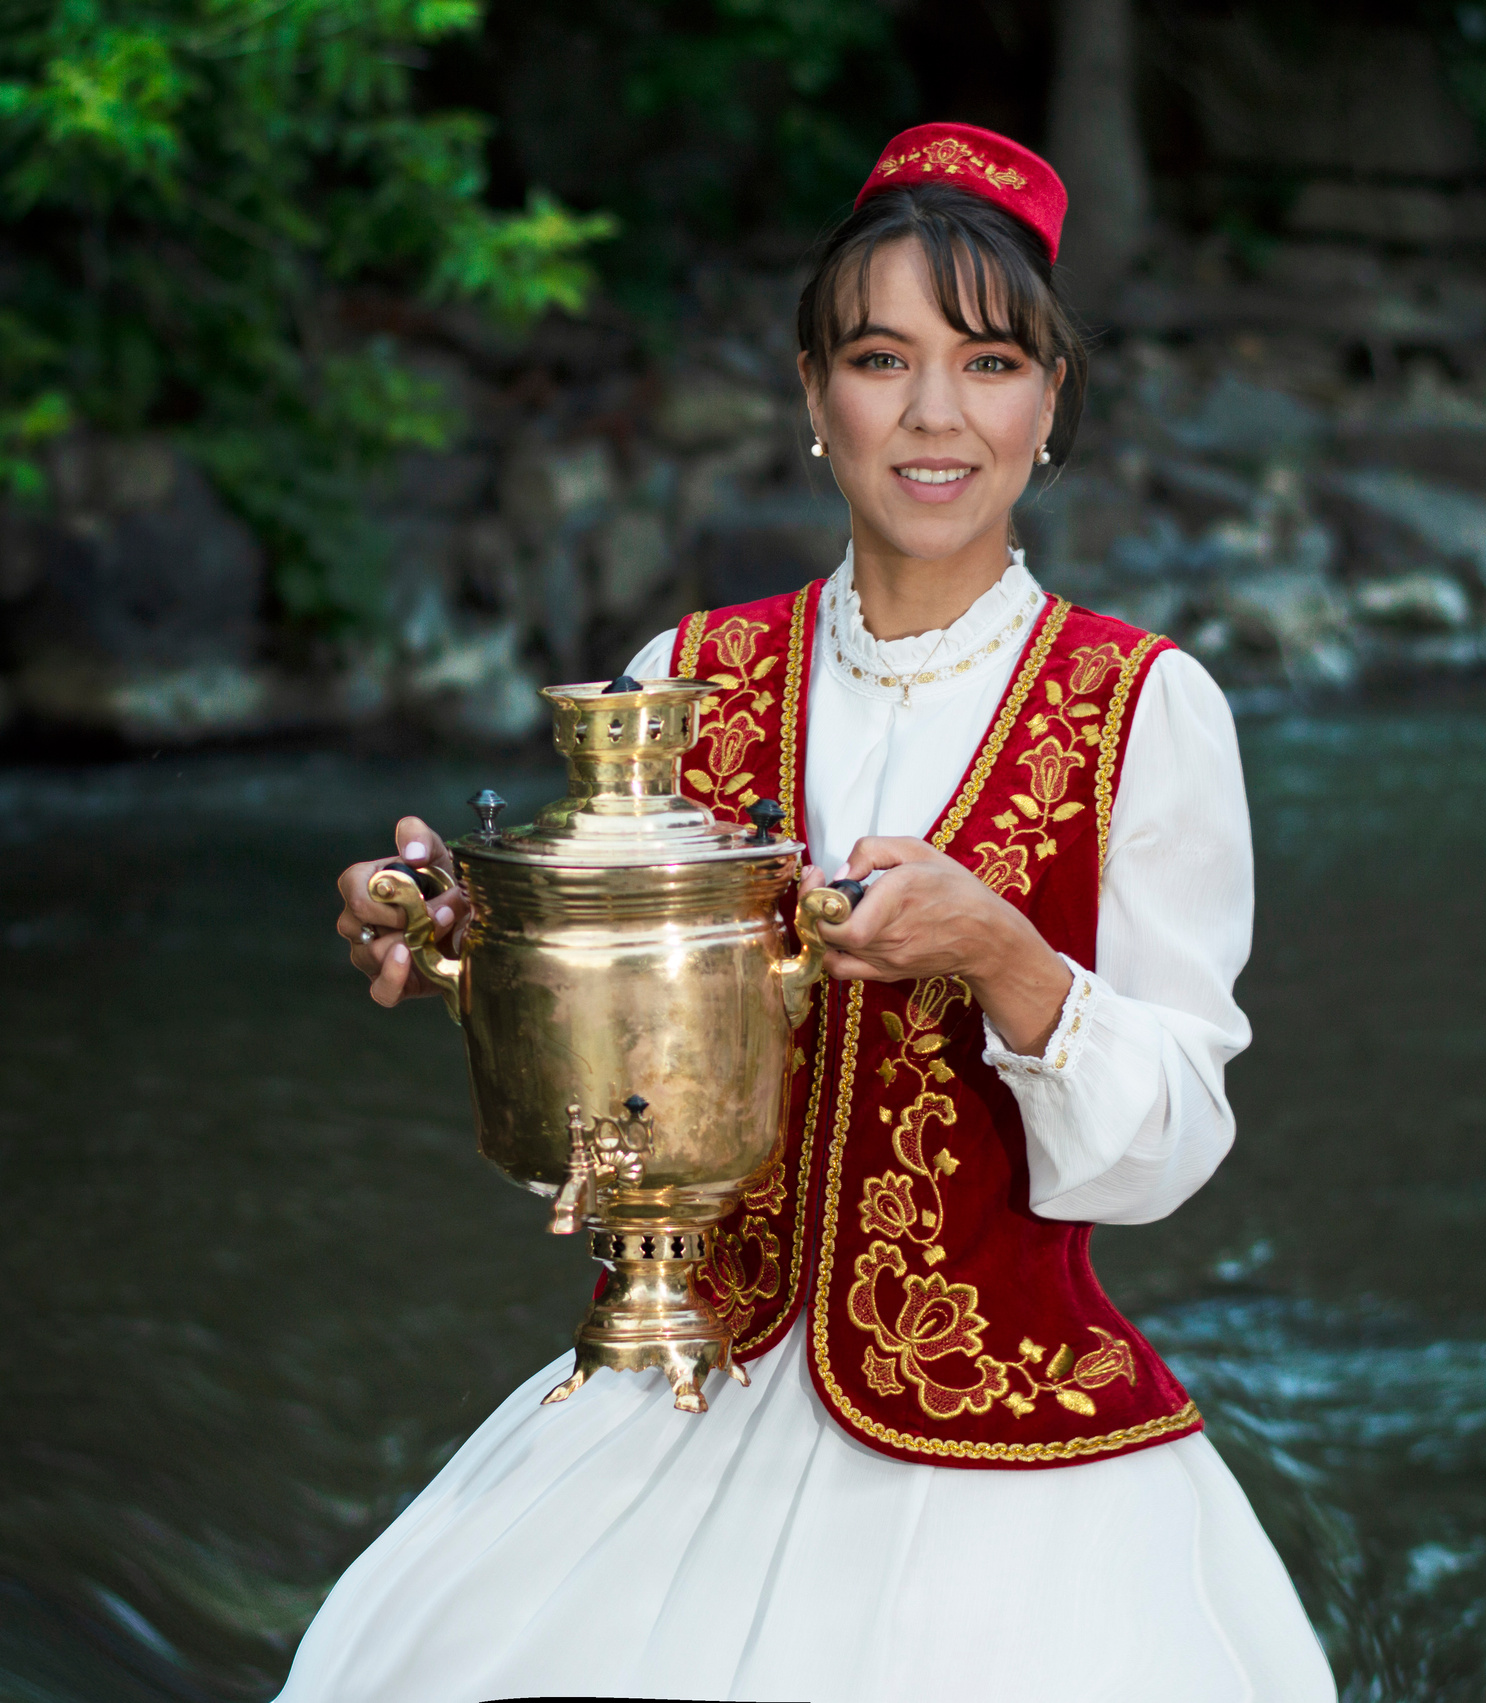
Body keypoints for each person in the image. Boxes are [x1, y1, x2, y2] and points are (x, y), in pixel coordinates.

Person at [300, 122, 1336, 1702]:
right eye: (880, 358)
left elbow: (1172, 1146)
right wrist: (449, 928)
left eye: (989, 363)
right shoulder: (684, 676)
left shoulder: (1145, 708)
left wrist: (1005, 956)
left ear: (1051, 402)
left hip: (1003, 1449)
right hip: (674, 1384)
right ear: (811, 395)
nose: (935, 415)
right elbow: (595, 1013)